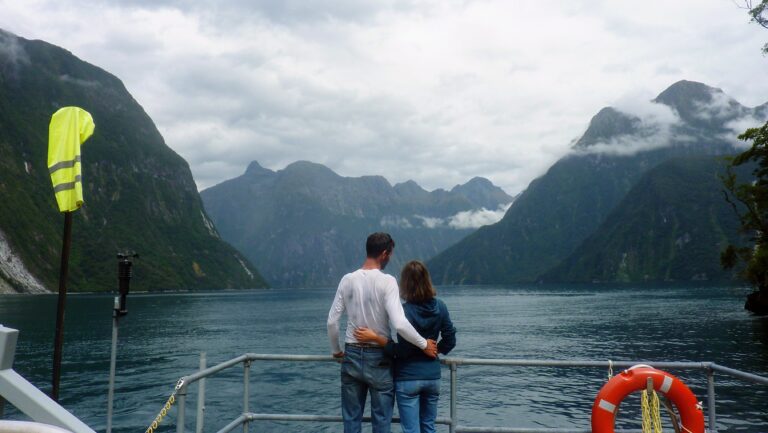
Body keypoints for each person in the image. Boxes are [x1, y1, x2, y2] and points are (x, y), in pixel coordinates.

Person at [327, 233, 438, 433]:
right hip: (379, 357)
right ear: (384, 254)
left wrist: (336, 351)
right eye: (390, 254)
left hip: (351, 354)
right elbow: (400, 324)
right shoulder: (388, 281)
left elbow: (332, 322)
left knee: (351, 420)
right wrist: (424, 344)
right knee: (381, 421)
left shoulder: (347, 279)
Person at [354, 260, 456, 433]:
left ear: (405, 284)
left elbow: (402, 351)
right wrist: (434, 350)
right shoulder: (441, 306)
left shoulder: (404, 312)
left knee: (411, 430)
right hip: (432, 377)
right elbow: (450, 339)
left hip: (408, 378)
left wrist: (377, 339)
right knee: (429, 427)